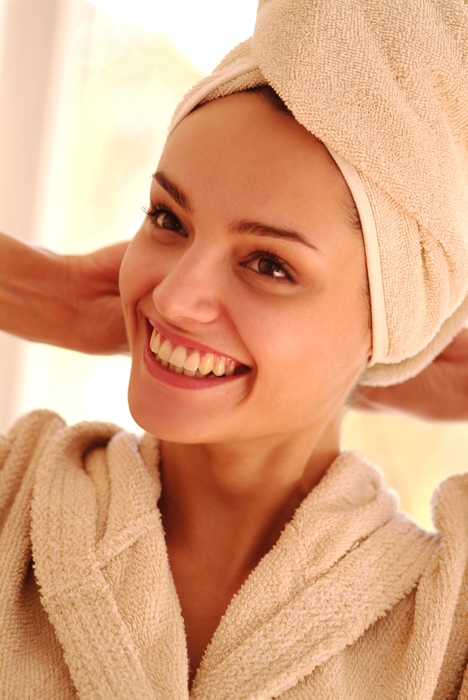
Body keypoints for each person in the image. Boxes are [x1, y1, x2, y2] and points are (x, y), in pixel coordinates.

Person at [1, 1, 468, 698]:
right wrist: (50, 292)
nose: (174, 296)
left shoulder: (444, 631)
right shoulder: (15, 501)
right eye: (168, 219)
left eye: (269, 265)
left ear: (391, 323)